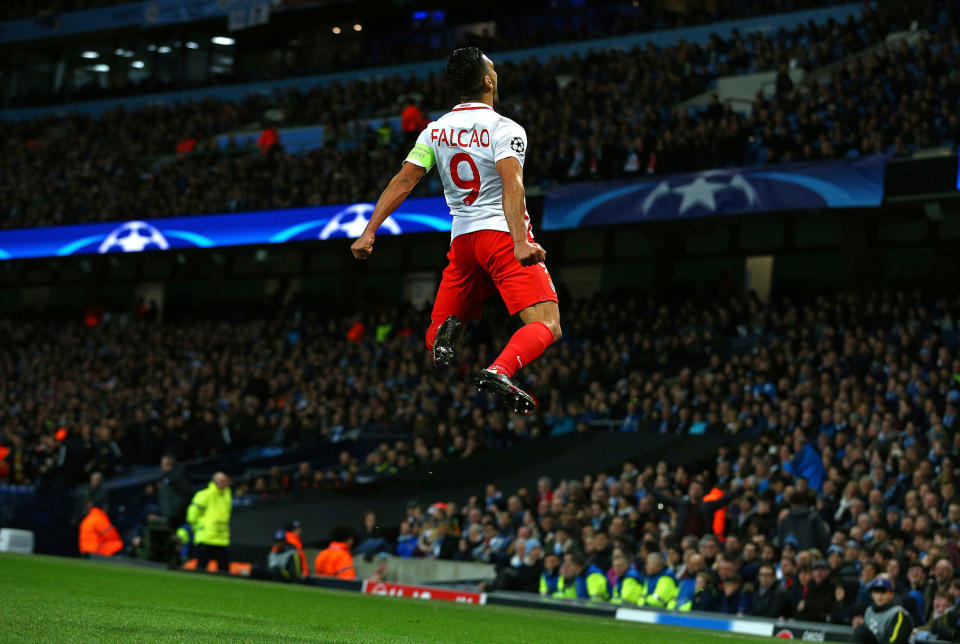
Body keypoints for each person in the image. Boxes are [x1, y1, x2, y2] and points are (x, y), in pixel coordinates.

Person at [350, 46, 561, 414]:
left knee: (440, 332)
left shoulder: (434, 132)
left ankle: (442, 339)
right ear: (487, 80)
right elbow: (512, 185)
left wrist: (369, 231)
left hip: (462, 242)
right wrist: (520, 242)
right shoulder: (505, 129)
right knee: (547, 324)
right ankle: (501, 369)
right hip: (500, 236)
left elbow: (403, 181)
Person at [186, 471, 232, 571]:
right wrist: (197, 528)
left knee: (224, 570)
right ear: (215, 482)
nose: (224, 483)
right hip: (206, 537)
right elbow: (192, 514)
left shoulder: (227, 495)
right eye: (221, 481)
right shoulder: (205, 495)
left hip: (222, 539)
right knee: (201, 568)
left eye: (225, 481)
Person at [854, 578, 913, 644]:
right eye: (876, 591)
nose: (880, 595)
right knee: (861, 630)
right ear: (872, 595)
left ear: (891, 595)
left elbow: (894, 641)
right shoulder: (869, 610)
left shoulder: (898, 613)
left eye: (883, 591)